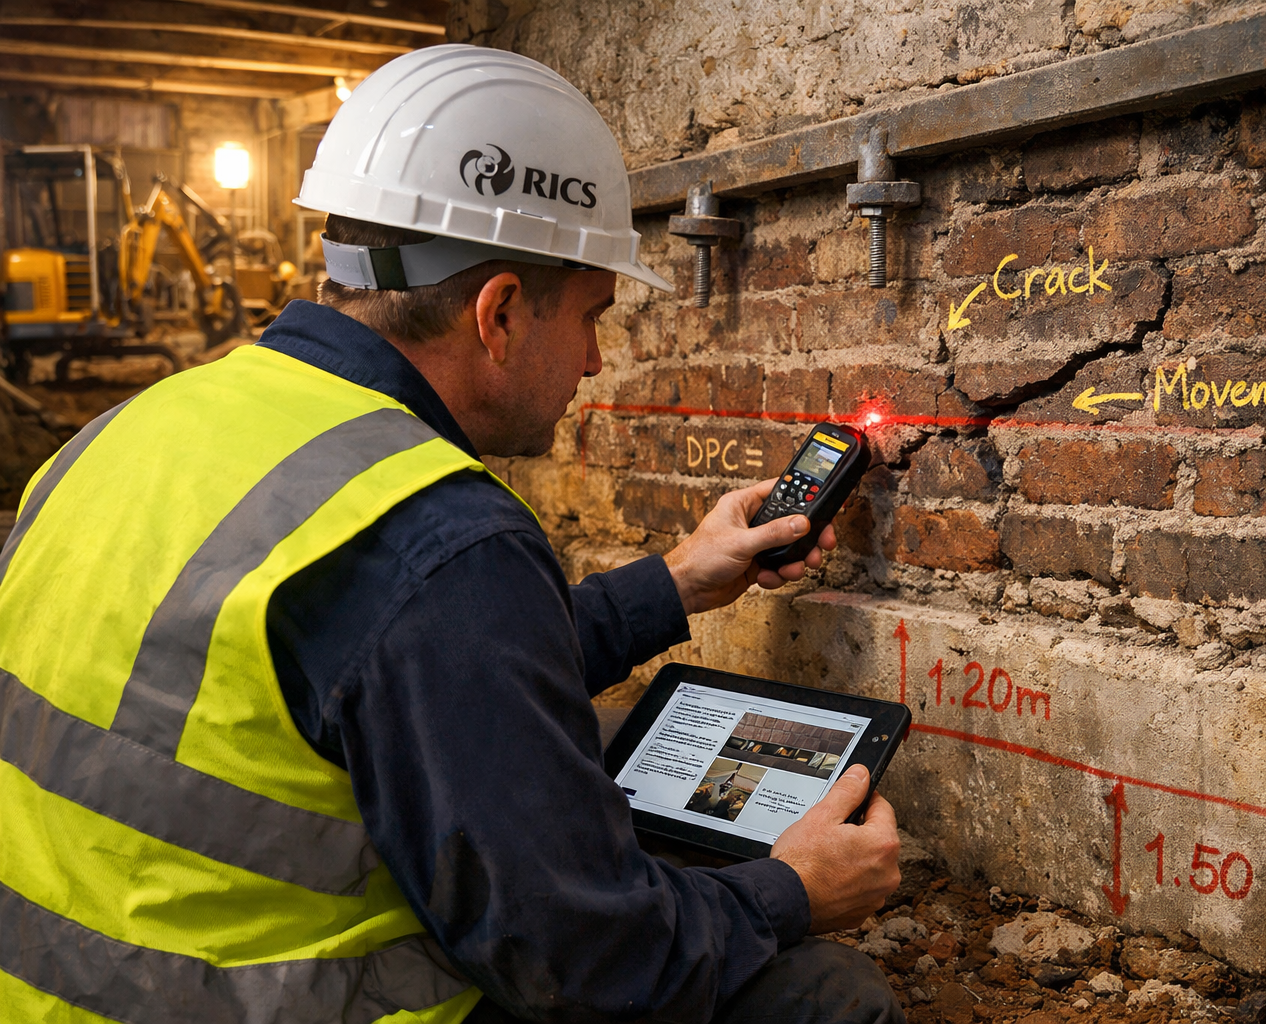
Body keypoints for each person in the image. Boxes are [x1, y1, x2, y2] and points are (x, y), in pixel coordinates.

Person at [0, 44, 904, 1024]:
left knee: (598, 748)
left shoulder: (137, 427)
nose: (596, 360)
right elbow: (592, 966)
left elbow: (403, 658)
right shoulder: (438, 533)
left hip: (60, 979)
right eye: (594, 317)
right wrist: (792, 890)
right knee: (827, 998)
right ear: (502, 313)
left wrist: (677, 579)